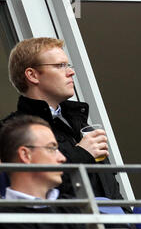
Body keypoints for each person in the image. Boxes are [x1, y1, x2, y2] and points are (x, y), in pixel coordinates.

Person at [2, 37, 123, 202]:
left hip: (114, 225)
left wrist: (126, 219)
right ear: (32, 75)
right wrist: (81, 154)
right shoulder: (12, 131)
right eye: (60, 66)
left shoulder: (78, 122)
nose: (71, 71)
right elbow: (33, 190)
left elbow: (110, 189)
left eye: (68, 65)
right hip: (67, 225)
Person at [0, 115, 85, 229]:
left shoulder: (75, 209)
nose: (62, 158)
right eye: (52, 148)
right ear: (25, 155)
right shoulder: (5, 219)